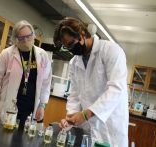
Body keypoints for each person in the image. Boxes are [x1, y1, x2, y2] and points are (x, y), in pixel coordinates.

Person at [53, 17, 128, 146]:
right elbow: (75, 94)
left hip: (109, 126)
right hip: (87, 127)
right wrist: (70, 118)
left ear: (82, 34)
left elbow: (116, 89)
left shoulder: (111, 51)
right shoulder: (74, 62)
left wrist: (86, 114)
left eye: (70, 44)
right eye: (66, 47)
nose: (70, 50)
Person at [0, 20, 52, 124]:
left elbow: (46, 82)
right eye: (22, 38)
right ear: (15, 39)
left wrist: (42, 105)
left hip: (31, 110)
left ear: (33, 35)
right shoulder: (7, 54)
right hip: (9, 108)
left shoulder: (42, 55)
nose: (26, 40)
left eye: (29, 36)